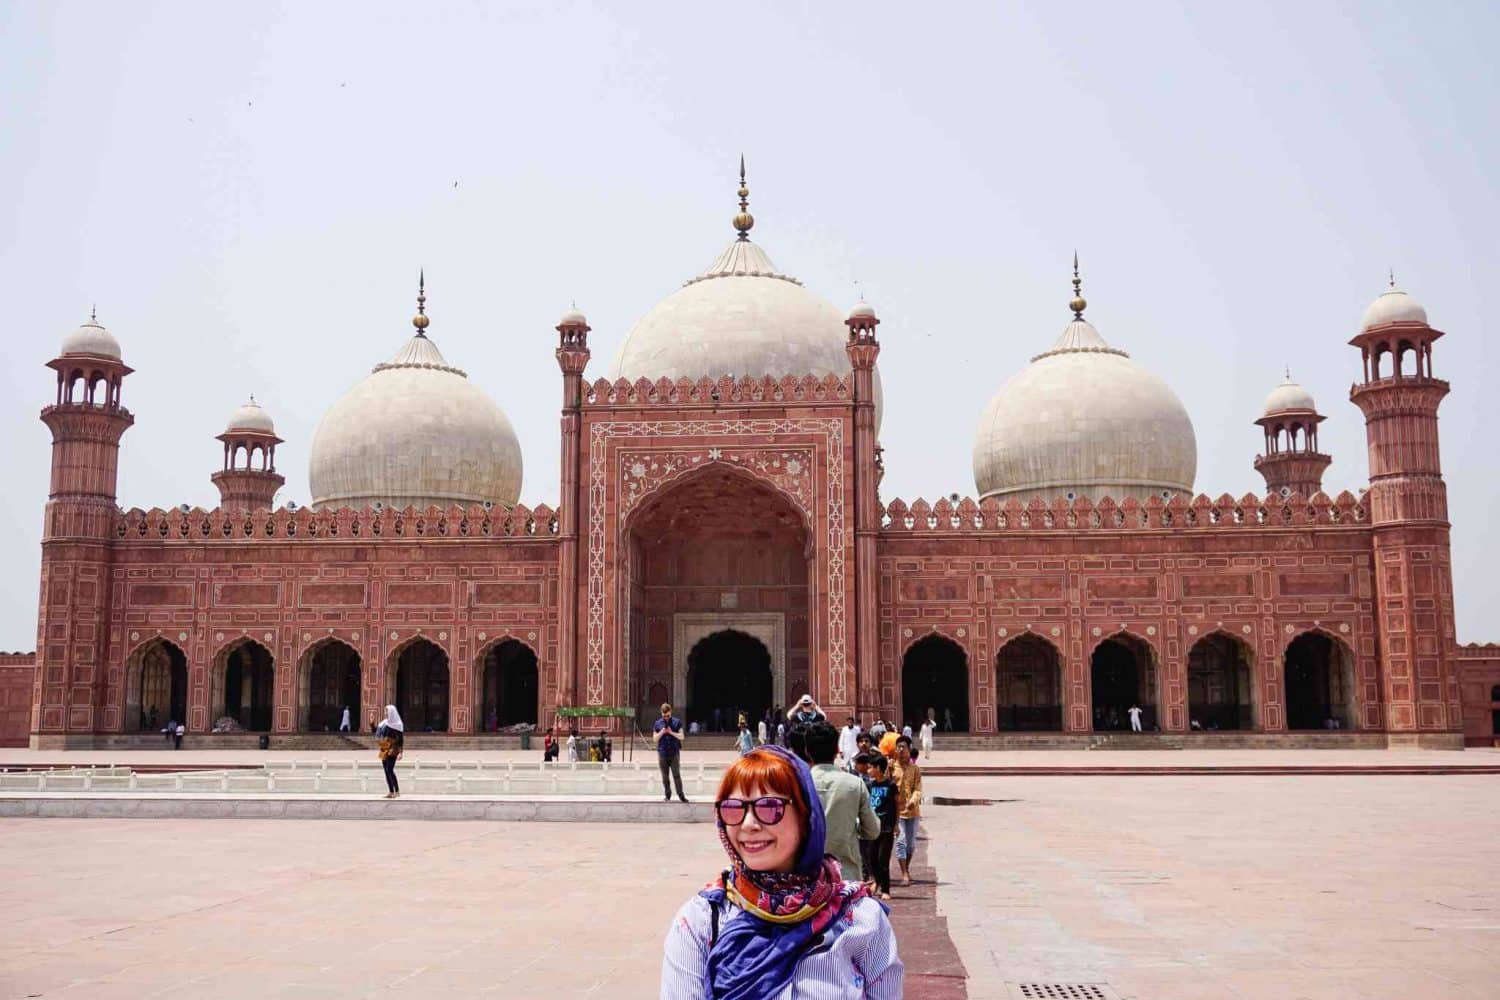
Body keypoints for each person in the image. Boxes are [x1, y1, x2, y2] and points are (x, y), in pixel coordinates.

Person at [660, 745, 903, 998]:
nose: (749, 824)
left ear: (805, 815)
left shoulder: (860, 919)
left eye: (769, 807)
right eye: (733, 808)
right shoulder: (701, 922)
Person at [805, 721, 878, 883]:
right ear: (837, 750)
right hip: (845, 878)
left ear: (807, 752)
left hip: (806, 879)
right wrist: (851, 824)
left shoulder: (797, 785)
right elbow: (872, 830)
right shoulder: (854, 784)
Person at [889, 736, 923, 887]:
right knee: (901, 842)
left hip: (912, 811)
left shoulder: (915, 769)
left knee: (911, 845)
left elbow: (918, 788)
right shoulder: (890, 767)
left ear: (910, 750)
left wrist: (913, 801)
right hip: (896, 811)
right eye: (899, 747)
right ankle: (904, 873)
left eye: (904, 747)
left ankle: (906, 868)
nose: (901, 750)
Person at [865, 756, 899, 900]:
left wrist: (896, 824)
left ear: (878, 768)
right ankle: (876, 882)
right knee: (872, 859)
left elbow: (898, 805)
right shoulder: (869, 786)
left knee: (882, 859)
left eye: (871, 767)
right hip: (872, 827)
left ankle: (886, 889)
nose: (869, 770)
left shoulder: (891, 785)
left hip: (886, 827)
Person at [654, 702, 688, 803]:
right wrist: (662, 732)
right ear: (661, 714)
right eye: (664, 716)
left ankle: (681, 795)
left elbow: (682, 736)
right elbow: (655, 739)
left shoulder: (677, 722)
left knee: (676, 775)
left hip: (674, 754)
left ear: (671, 713)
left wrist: (671, 732)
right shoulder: (657, 723)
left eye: (668, 716)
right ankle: (667, 795)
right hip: (662, 754)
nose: (666, 718)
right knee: (665, 777)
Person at [376, 705, 403, 798]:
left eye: (387, 711)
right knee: (386, 771)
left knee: (390, 769)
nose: (385, 713)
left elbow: (400, 740)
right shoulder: (383, 724)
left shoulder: (398, 725)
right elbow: (378, 734)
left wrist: (400, 752)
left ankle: (397, 790)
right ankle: (391, 791)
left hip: (393, 749)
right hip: (384, 749)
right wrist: (371, 724)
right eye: (385, 711)